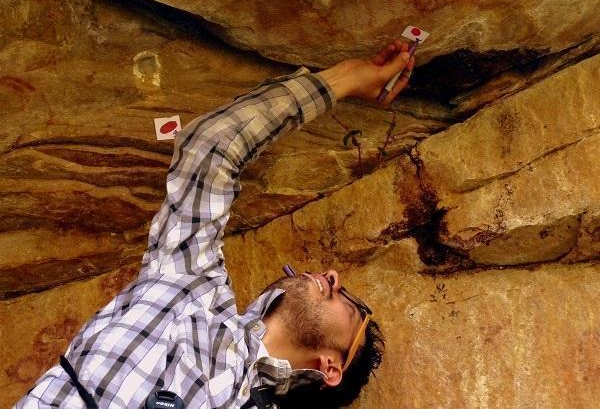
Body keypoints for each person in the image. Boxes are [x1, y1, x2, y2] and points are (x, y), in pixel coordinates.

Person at [16, 40, 415, 409]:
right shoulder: (193, 283)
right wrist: (345, 78)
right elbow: (209, 148)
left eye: (352, 305)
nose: (333, 277)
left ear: (331, 367)